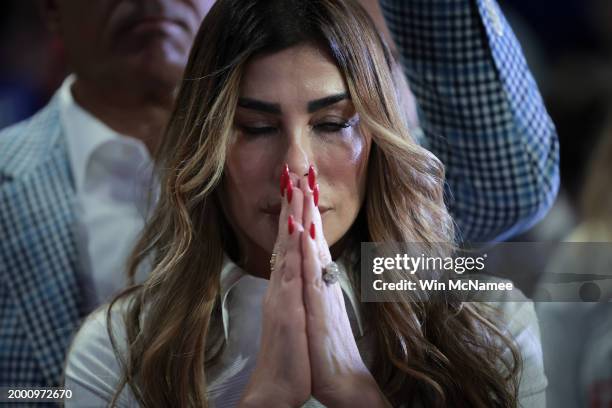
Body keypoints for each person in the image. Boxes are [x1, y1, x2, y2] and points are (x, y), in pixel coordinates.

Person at [0, 0, 557, 390]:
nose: (297, 169)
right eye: (256, 128)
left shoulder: (482, 312)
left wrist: (353, 391)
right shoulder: (117, 344)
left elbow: (510, 188)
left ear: (378, 135)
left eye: (333, 123)